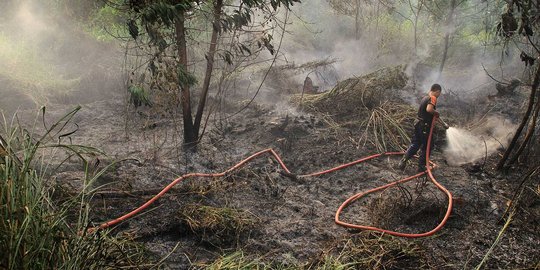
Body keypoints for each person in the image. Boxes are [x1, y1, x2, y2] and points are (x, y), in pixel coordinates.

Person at [398, 83, 449, 172]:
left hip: (418, 124)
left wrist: (443, 123)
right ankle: (421, 166)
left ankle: (403, 161)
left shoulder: (425, 98)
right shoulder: (433, 98)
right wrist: (435, 112)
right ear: (437, 91)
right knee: (428, 146)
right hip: (425, 126)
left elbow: (431, 114)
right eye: (439, 94)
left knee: (416, 144)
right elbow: (429, 110)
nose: (439, 96)